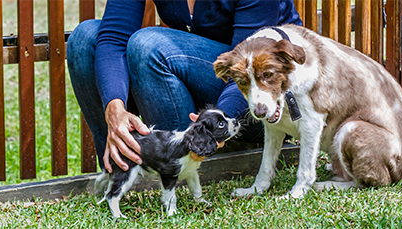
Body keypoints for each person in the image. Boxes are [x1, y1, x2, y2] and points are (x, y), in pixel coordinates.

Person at [67, 0, 302, 173]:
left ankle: (184, 166)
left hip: (263, 104)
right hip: (204, 83)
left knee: (149, 46)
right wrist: (114, 107)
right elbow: (114, 38)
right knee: (84, 39)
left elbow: (249, 72)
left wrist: (214, 125)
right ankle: (120, 167)